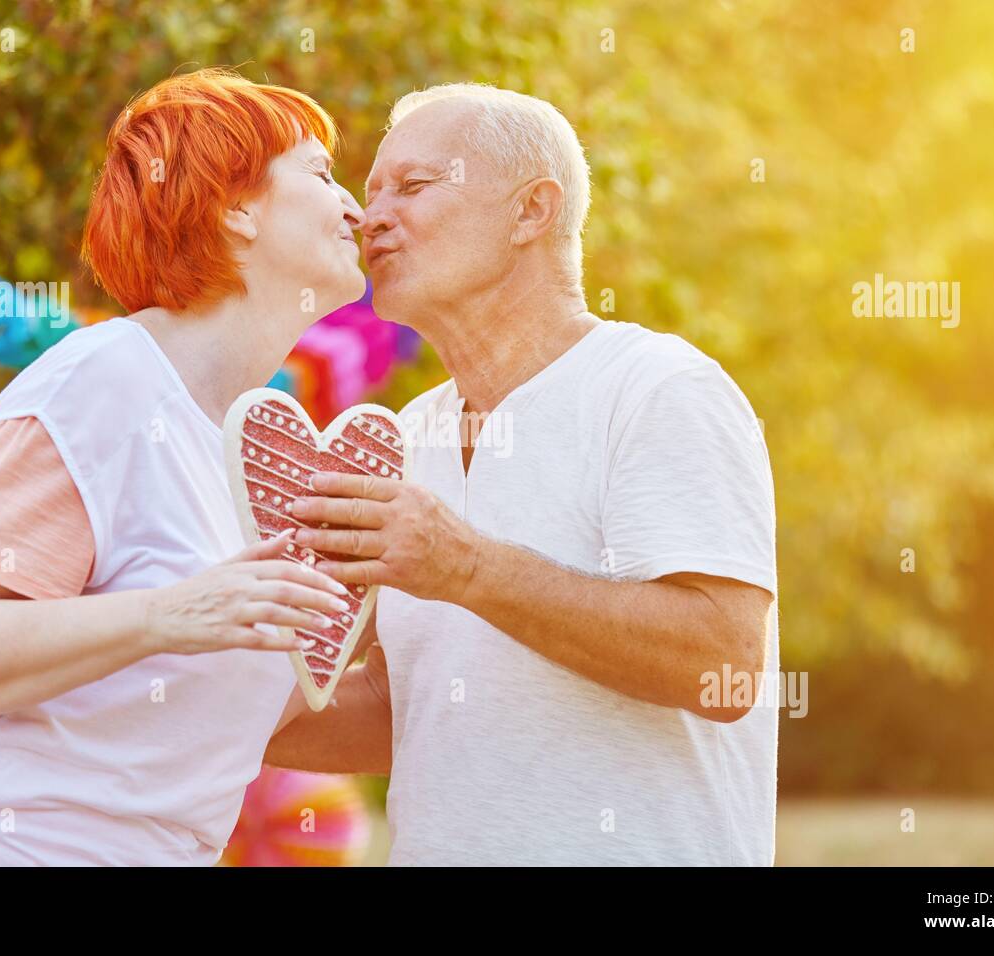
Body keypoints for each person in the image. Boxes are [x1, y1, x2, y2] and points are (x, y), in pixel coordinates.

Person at [0, 68, 364, 866]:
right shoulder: (105, 380)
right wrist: (165, 615)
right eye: (322, 175)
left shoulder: (257, 455)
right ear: (236, 208)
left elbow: (252, 718)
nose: (355, 206)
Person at [267, 84, 780, 865]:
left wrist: (465, 567)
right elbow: (405, 705)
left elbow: (724, 663)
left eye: (412, 186)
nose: (371, 218)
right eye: (370, 195)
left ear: (531, 211)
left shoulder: (657, 388)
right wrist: (194, 700)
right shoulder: (402, 440)